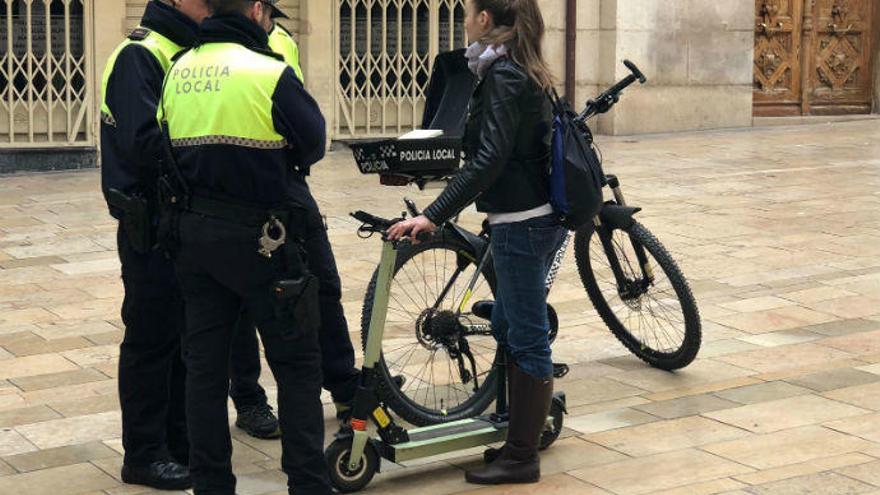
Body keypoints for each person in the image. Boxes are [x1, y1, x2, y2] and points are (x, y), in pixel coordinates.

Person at [387, 0, 564, 486]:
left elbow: (488, 159)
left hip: (521, 224)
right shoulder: (516, 69)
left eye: (468, 11)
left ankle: (522, 457)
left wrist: (432, 215)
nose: (464, 18)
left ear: (486, 20)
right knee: (510, 323)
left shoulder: (505, 75)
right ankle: (515, 439)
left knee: (526, 337)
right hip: (528, 219)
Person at [157, 0, 332, 492]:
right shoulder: (268, 72)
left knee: (205, 371)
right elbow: (314, 143)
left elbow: (163, 141)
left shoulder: (177, 70)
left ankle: (212, 484)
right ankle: (307, 483)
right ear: (256, 10)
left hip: (195, 238)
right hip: (265, 240)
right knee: (297, 366)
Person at [222, 1, 365, 437]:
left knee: (320, 287)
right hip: (233, 192)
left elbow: (305, 126)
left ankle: (344, 385)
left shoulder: (280, 40)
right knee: (240, 305)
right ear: (254, 10)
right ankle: (249, 399)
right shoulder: (203, 50)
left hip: (286, 185)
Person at [100, 0, 210, 489]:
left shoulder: (190, 50)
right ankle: (143, 453)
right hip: (151, 221)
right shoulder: (140, 55)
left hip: (185, 222)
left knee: (184, 340)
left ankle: (178, 442)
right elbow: (145, 144)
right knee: (151, 338)